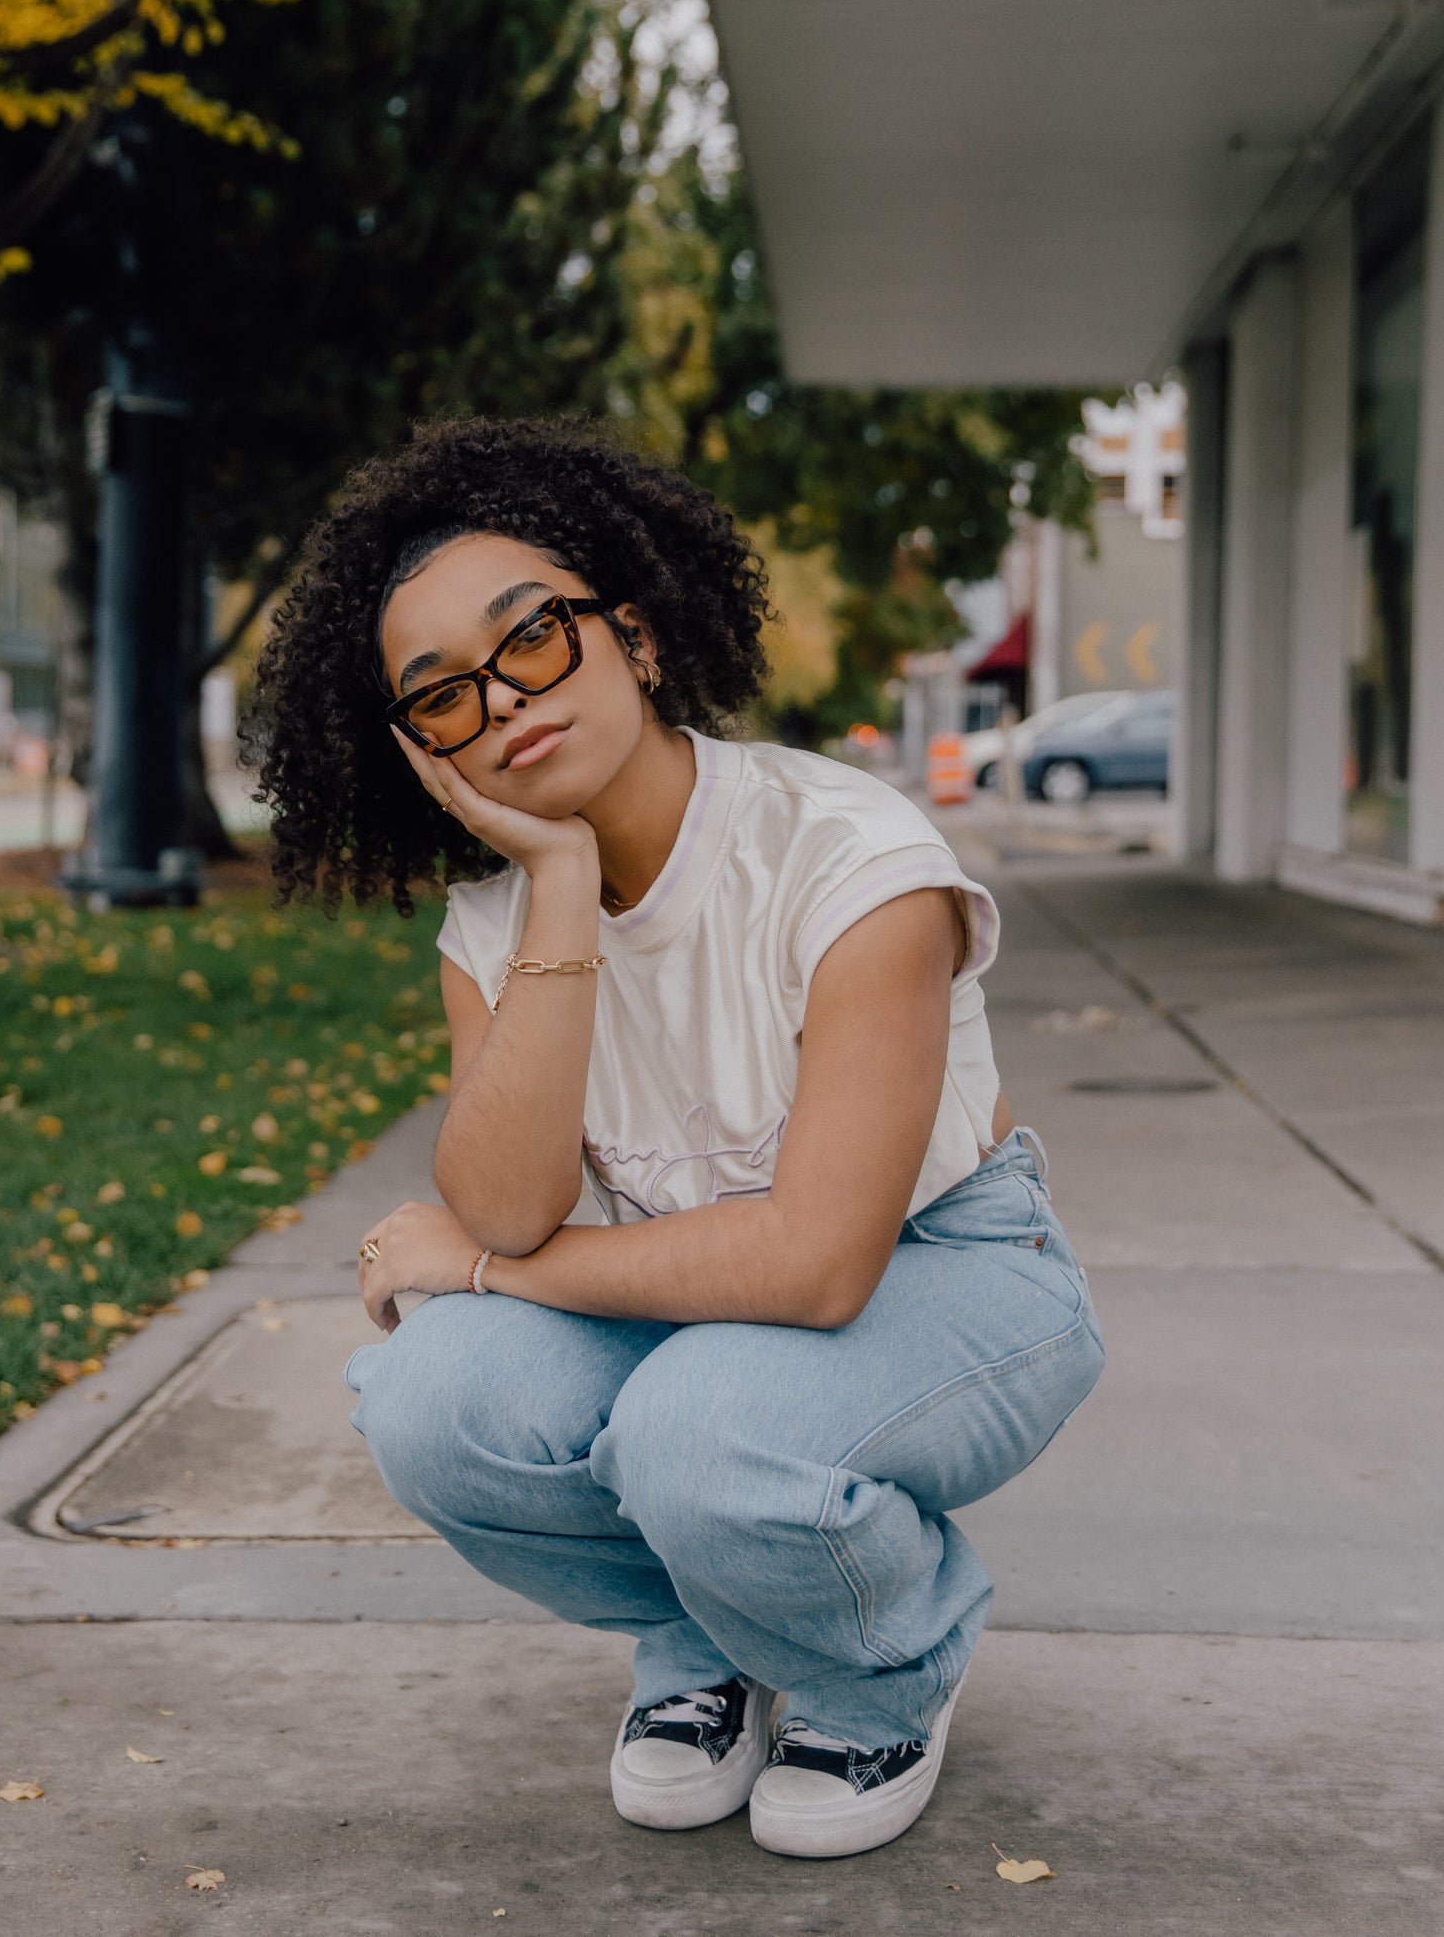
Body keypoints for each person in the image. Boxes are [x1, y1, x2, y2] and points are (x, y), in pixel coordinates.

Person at [249, 418, 1105, 1861]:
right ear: (419, 747)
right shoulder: (493, 921)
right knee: (429, 1405)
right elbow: (509, 1203)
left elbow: (822, 1266)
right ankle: (710, 1638)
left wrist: (492, 1272)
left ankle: (886, 1662)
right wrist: (563, 884)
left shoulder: (852, 858)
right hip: (685, 1292)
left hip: (951, 1272)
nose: (504, 700)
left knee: (694, 1428)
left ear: (633, 634)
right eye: (445, 695)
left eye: (533, 639)